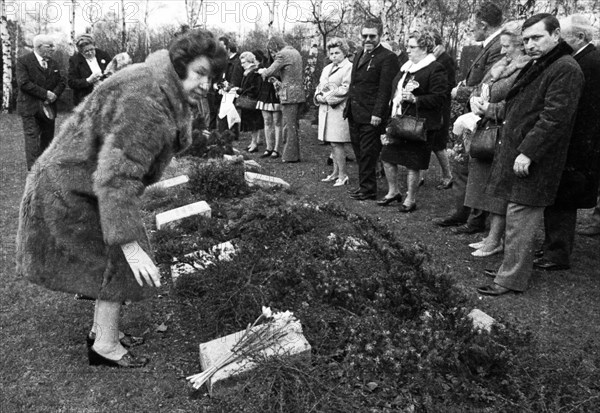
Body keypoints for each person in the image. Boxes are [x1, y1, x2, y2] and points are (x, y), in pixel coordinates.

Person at [16, 29, 227, 366]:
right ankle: (105, 346)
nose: (207, 84)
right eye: (201, 73)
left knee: (114, 260)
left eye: (211, 77)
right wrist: (130, 244)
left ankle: (102, 333)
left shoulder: (156, 82)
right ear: (180, 64)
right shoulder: (147, 103)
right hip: (70, 186)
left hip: (80, 178)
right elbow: (117, 179)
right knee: (121, 261)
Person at [476, 14, 584, 296]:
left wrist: (528, 153)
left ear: (556, 34)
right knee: (515, 217)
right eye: (526, 40)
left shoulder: (565, 68)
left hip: (535, 160)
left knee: (522, 219)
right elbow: (519, 106)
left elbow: (554, 118)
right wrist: (490, 110)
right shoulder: (541, 63)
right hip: (517, 154)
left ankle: (510, 279)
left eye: (537, 37)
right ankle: (510, 268)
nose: (530, 44)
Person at [533, 14, 600, 270]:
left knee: (563, 199)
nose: (559, 38)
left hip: (578, 147)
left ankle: (557, 253)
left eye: (564, 34)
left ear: (580, 37)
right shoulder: (582, 60)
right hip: (576, 144)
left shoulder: (589, 62)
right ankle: (552, 247)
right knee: (559, 198)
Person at [435, 2, 504, 233]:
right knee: (464, 164)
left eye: (472, 25)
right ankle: (464, 213)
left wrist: (461, 92)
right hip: (476, 112)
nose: (471, 30)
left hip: (483, 115)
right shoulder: (491, 45)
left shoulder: (498, 47)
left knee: (474, 166)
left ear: (483, 25)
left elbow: (489, 85)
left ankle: (472, 217)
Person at [467, 22, 531, 257]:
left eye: (507, 46)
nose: (502, 51)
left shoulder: (526, 68)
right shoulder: (501, 64)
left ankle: (495, 239)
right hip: (488, 130)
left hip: (504, 132)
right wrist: (475, 100)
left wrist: (490, 108)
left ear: (521, 46)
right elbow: (482, 87)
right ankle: (491, 237)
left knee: (499, 189)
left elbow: (518, 103)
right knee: (485, 184)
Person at [378, 31, 446, 212]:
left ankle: (411, 198)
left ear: (424, 48)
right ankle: (393, 192)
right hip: (399, 121)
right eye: (407, 46)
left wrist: (417, 100)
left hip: (419, 125)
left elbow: (440, 97)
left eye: (412, 47)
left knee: (413, 163)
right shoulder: (405, 68)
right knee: (387, 157)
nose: (407, 50)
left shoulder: (434, 68)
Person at [344, 18, 399, 200]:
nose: (368, 39)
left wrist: (377, 113)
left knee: (369, 153)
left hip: (371, 115)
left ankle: (368, 189)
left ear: (380, 35)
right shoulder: (360, 53)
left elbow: (385, 89)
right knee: (359, 151)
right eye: (365, 35)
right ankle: (364, 186)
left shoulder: (388, 57)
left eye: (372, 36)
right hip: (354, 112)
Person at [16, 34, 66, 170]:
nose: (53, 48)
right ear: (39, 47)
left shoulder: (54, 63)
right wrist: (45, 94)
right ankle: (33, 170)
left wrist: (55, 94)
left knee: (48, 137)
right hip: (29, 107)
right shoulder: (23, 61)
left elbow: (62, 81)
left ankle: (45, 167)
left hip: (49, 107)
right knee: (32, 137)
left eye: (52, 46)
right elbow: (23, 83)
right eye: (49, 46)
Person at [259, 36, 306, 163]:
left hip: (288, 95)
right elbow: (288, 73)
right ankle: (294, 154)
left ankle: (289, 156)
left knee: (288, 126)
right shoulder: (296, 52)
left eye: (271, 51)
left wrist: (261, 71)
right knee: (294, 126)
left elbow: (269, 71)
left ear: (274, 46)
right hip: (299, 93)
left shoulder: (282, 54)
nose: (273, 54)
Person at [315, 37, 353, 187]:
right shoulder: (327, 68)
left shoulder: (348, 67)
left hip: (338, 110)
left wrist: (327, 98)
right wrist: (318, 95)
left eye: (337, 52)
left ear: (344, 53)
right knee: (332, 143)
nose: (334, 56)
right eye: (332, 53)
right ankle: (335, 172)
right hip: (325, 110)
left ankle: (343, 175)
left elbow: (345, 88)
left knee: (338, 143)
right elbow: (320, 85)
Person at [428, 28, 456, 190]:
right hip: (429, 105)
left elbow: (449, 84)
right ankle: (420, 177)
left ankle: (448, 175)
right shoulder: (428, 58)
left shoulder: (445, 59)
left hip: (440, 106)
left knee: (438, 144)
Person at [68, 34, 112, 107]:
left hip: (106, 95)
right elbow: (71, 82)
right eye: (86, 51)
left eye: (92, 49)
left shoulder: (103, 54)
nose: (90, 52)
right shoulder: (74, 60)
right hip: (86, 99)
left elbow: (113, 69)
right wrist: (88, 80)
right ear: (81, 52)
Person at [255, 49, 283, 158]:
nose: (273, 54)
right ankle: (269, 147)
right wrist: (260, 71)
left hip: (275, 95)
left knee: (277, 122)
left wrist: (275, 79)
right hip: (264, 94)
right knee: (267, 121)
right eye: (271, 52)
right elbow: (256, 72)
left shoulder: (282, 63)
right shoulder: (264, 63)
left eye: (275, 51)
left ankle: (276, 148)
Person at [235, 52, 265, 153]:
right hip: (249, 100)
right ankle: (253, 142)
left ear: (250, 62)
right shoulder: (248, 72)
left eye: (244, 62)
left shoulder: (253, 73)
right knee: (252, 124)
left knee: (254, 124)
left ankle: (254, 143)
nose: (242, 64)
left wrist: (242, 91)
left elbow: (254, 88)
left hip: (251, 101)